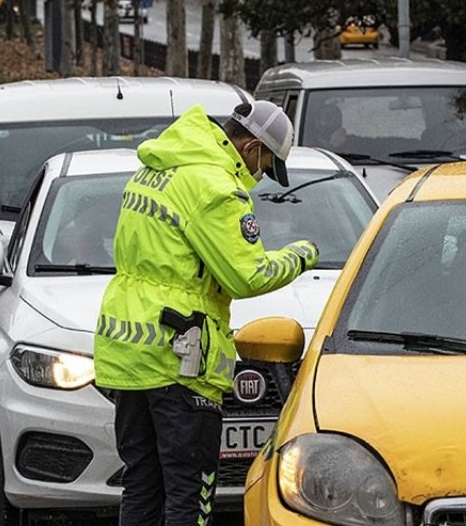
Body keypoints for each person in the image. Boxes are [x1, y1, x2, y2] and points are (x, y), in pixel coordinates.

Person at [94, 100, 319, 526]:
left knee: (142, 482)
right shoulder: (216, 187)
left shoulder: (158, 167)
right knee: (189, 490)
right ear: (251, 147)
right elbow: (247, 276)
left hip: (129, 353)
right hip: (180, 357)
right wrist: (301, 254)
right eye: (266, 164)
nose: (261, 175)